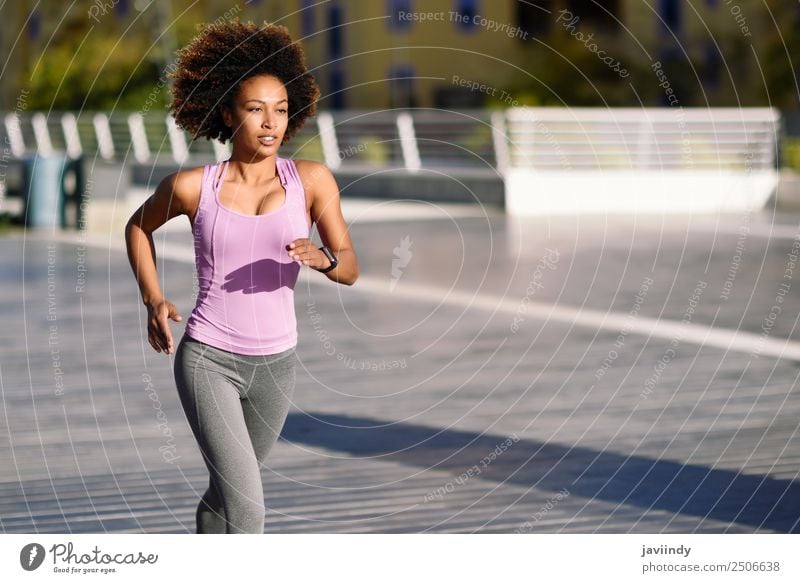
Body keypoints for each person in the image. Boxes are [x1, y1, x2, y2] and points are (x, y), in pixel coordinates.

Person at [124, 19, 358, 533]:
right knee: (248, 506)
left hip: (278, 364)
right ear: (228, 114)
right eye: (255, 110)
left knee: (225, 491)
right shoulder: (191, 187)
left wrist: (325, 260)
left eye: (280, 109)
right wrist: (153, 299)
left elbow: (350, 266)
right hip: (209, 358)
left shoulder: (312, 180)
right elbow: (137, 228)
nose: (270, 123)